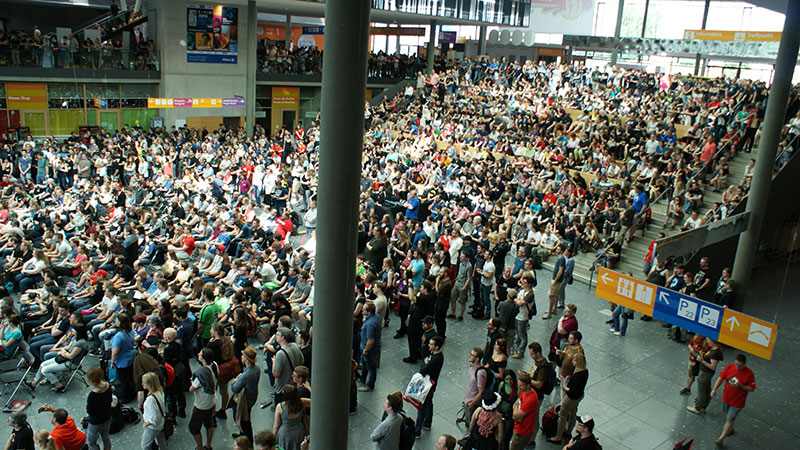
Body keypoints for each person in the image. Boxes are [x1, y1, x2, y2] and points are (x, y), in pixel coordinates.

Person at [711, 354, 756, 447]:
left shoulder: (749, 374)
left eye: (740, 365)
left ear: (744, 364)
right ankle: (730, 429)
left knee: (729, 419)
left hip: (737, 402)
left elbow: (752, 388)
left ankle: (721, 438)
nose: (737, 367)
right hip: (726, 398)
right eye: (736, 364)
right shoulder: (729, 367)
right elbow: (721, 378)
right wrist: (714, 389)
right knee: (728, 417)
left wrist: (741, 386)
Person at [549, 353, 589, 444]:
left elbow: (572, 390)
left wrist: (564, 386)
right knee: (573, 412)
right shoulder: (584, 371)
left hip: (572, 397)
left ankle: (558, 436)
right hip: (579, 396)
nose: (572, 362)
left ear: (578, 362)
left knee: (562, 415)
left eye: (574, 360)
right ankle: (568, 431)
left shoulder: (579, 374)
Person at [415, 335, 444, 438]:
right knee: (429, 404)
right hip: (431, 384)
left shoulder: (437, 358)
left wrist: (425, 363)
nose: (429, 346)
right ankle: (427, 423)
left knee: (421, 407)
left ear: (437, 347)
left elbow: (423, 370)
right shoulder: (434, 354)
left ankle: (417, 431)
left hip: (429, 385)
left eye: (431, 344)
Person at [190, 348, 218, 450]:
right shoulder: (214, 365)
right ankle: (208, 445)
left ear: (204, 359)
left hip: (201, 404)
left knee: (194, 428)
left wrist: (191, 383)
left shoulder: (201, 374)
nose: (198, 354)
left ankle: (200, 447)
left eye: (200, 354)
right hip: (211, 401)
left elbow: (191, 389)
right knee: (208, 424)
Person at [231, 346, 260, 443]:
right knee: (246, 419)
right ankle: (242, 435)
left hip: (245, 401)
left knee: (243, 420)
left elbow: (234, 388)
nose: (241, 356)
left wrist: (235, 381)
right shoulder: (256, 368)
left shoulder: (247, 374)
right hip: (252, 397)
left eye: (243, 355)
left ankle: (247, 441)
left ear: (246, 359)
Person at [687, 338, 723, 415]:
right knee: (707, 389)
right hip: (706, 373)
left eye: (708, 340)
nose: (707, 342)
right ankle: (703, 406)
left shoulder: (715, 353)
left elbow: (713, 366)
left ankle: (697, 407)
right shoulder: (713, 350)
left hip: (705, 373)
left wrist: (702, 361)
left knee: (701, 390)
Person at [109, 313, 136, 403]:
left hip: (122, 360)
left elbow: (115, 352)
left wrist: (112, 362)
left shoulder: (119, 336)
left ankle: (125, 397)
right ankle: (131, 393)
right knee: (129, 377)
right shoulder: (130, 331)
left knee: (122, 379)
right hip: (130, 357)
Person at [84, 367, 112, 450]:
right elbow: (110, 400)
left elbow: (90, 411)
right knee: (105, 437)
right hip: (107, 416)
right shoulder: (107, 385)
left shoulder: (92, 395)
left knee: (91, 443)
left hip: (96, 422)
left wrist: (86, 413)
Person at [509, 371, 539, 450]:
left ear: (528, 385)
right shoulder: (525, 392)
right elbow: (517, 402)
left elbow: (515, 416)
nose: (519, 387)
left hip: (522, 432)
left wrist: (515, 409)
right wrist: (516, 409)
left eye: (521, 386)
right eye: (518, 385)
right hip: (520, 428)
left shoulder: (530, 399)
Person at [273, 384, 307, 450]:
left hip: (285, 435)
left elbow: (276, 426)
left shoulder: (280, 407)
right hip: (299, 432)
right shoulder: (302, 403)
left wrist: (273, 438)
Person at [140, 372, 167, 450]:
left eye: (144, 382)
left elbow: (153, 418)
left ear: (149, 384)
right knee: (161, 442)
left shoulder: (150, 400)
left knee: (145, 445)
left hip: (152, 427)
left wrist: (146, 424)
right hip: (161, 422)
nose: (142, 384)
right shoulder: (160, 392)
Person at [359, 302, 381, 392]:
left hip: (369, 349)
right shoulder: (376, 317)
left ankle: (370, 385)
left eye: (363, 309)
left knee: (371, 367)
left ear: (368, 312)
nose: (362, 310)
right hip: (374, 347)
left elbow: (370, 340)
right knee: (365, 365)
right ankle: (362, 379)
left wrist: (366, 350)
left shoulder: (370, 324)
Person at [543, 245, 566, 319]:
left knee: (551, 295)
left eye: (558, 249)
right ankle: (554, 309)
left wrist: (555, 280)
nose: (557, 250)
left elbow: (561, 270)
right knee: (555, 295)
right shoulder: (560, 258)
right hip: (556, 278)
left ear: (562, 251)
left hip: (556, 280)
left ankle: (549, 312)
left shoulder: (561, 259)